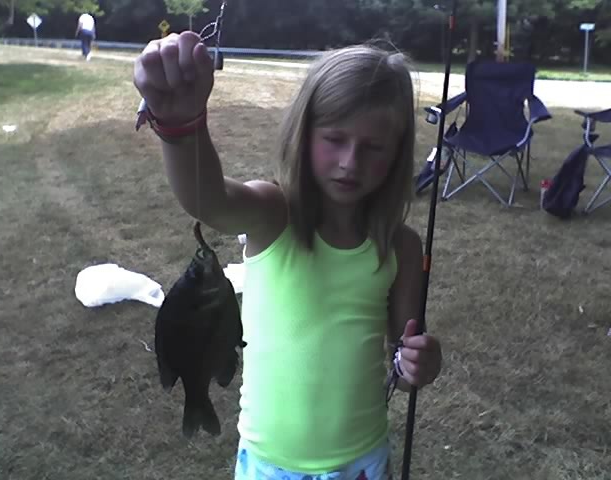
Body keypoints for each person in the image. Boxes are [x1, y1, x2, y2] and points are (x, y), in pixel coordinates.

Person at [133, 31, 443, 480]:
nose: (350, 162)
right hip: (269, 464)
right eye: (334, 138)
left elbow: (403, 351)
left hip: (362, 462)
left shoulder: (402, 247)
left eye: (373, 147)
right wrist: (182, 125)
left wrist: (419, 363)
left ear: (396, 155)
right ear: (304, 133)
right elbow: (209, 200)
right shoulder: (273, 214)